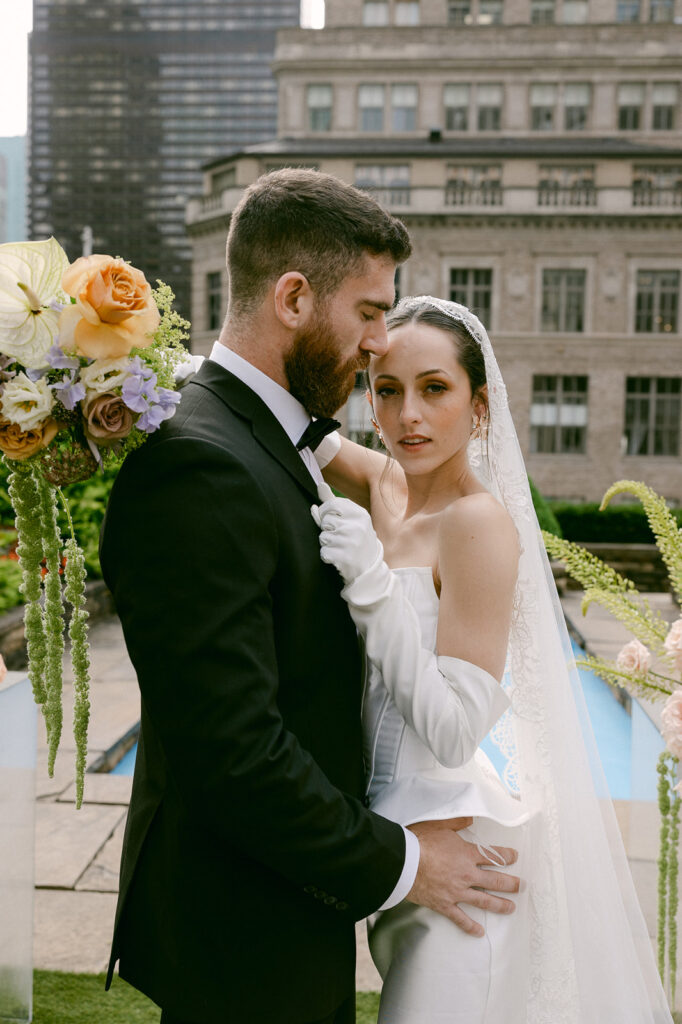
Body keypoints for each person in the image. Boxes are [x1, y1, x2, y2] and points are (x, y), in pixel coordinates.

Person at [99, 171, 520, 1024]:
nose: (379, 345)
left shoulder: (272, 434)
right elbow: (236, 752)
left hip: (295, 897)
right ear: (294, 297)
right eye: (369, 313)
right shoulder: (202, 461)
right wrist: (406, 864)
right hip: (244, 923)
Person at [311, 295, 673, 1023]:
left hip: (458, 869)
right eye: (387, 391)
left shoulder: (478, 522)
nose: (408, 414)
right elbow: (285, 427)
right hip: (399, 852)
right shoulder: (387, 486)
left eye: (434, 389)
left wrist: (373, 586)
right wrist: (134, 366)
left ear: (479, 406)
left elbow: (454, 730)